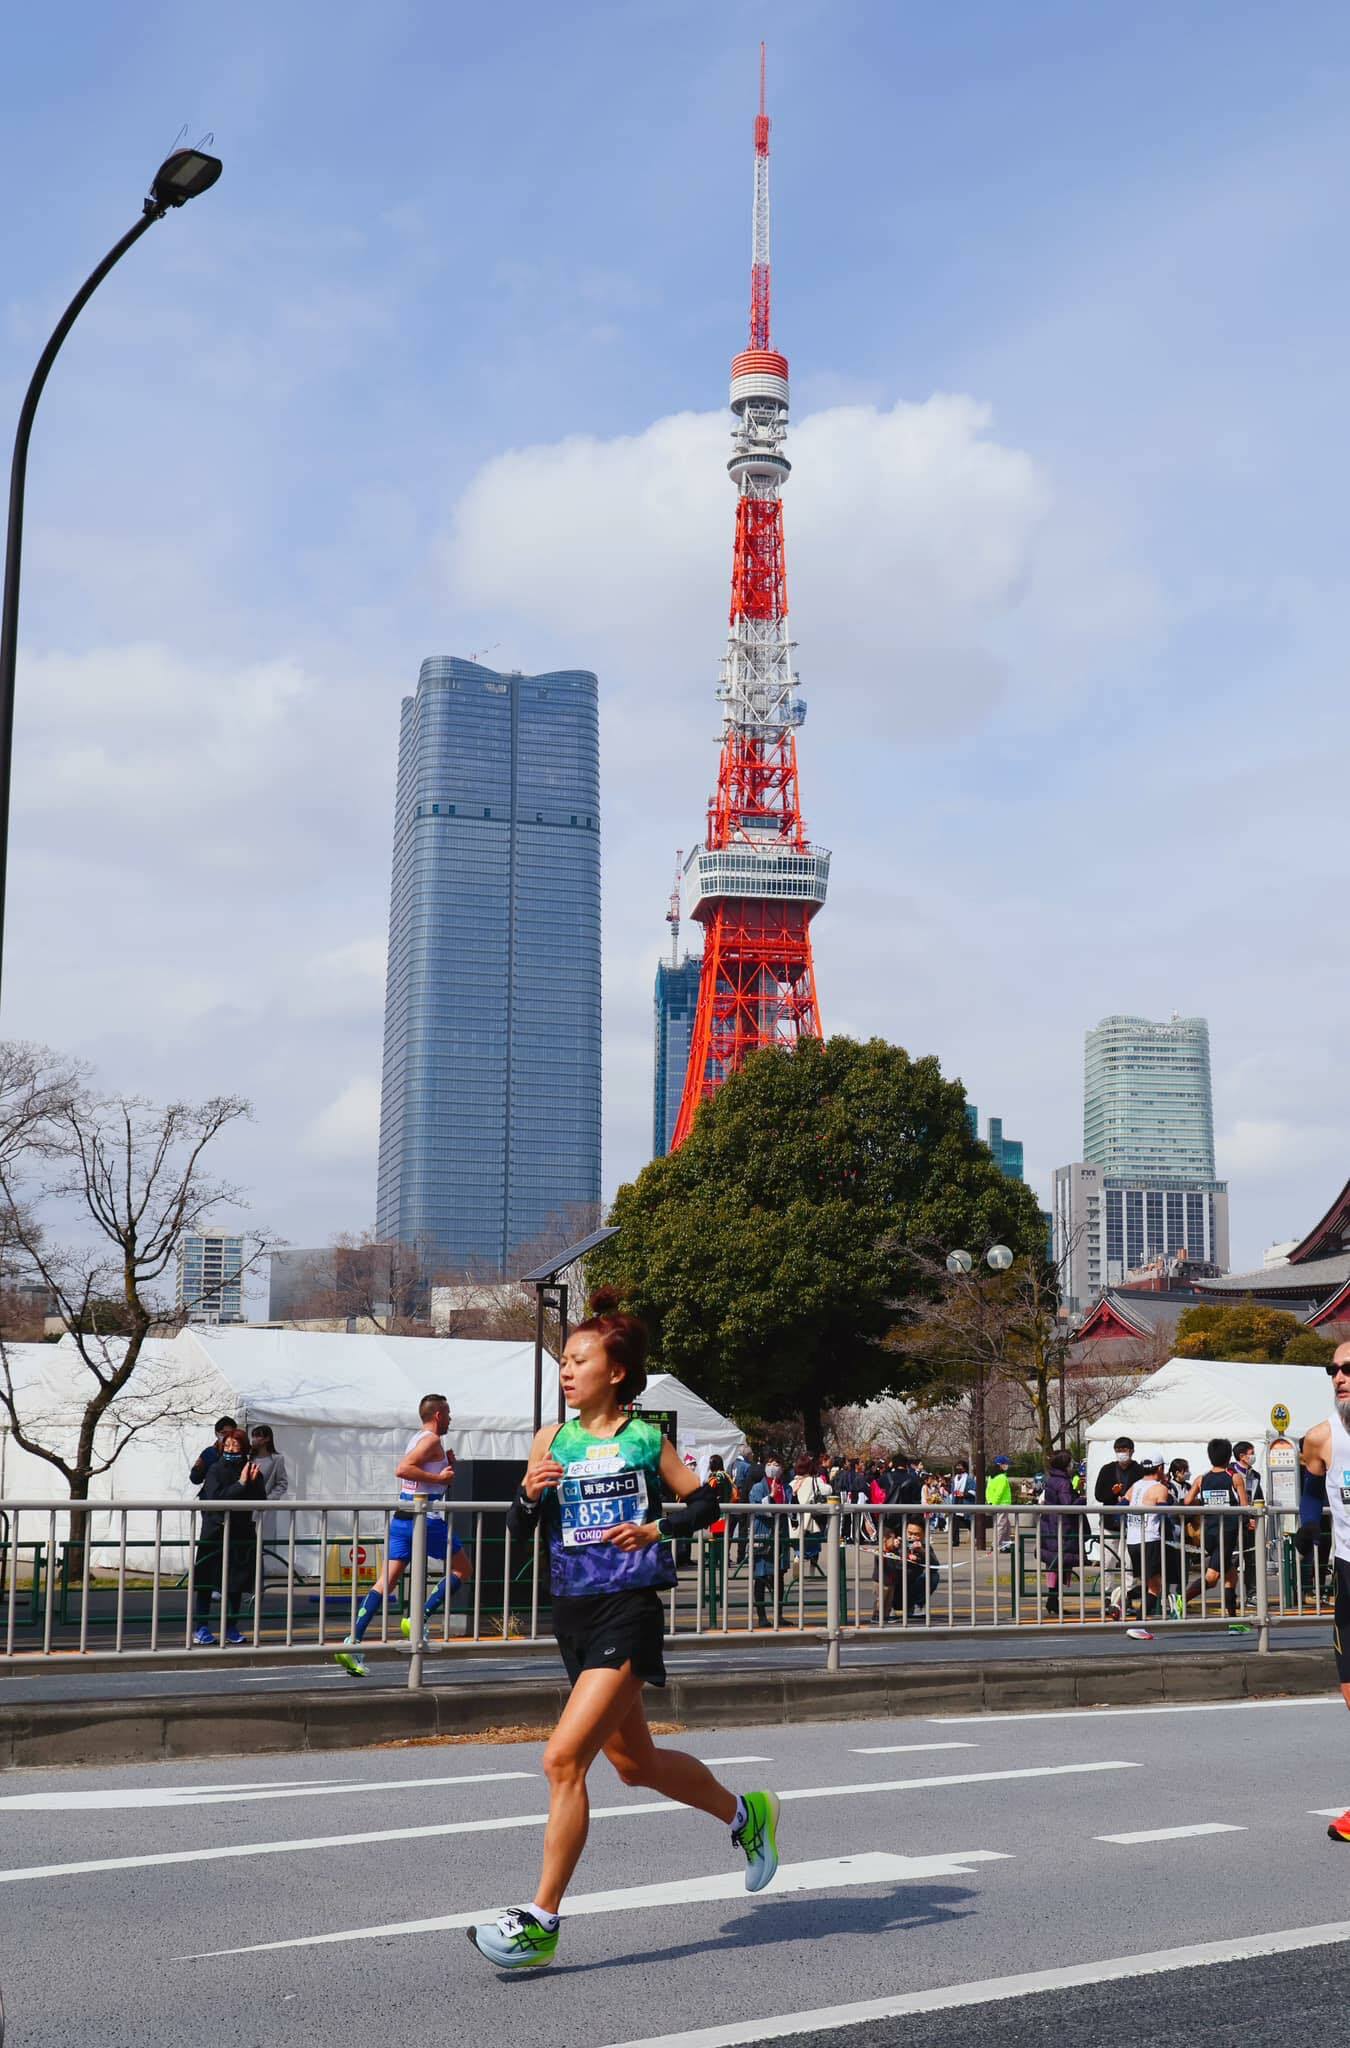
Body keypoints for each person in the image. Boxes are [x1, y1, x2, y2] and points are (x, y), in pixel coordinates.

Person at [467, 1288, 779, 1969]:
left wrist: (655, 1528)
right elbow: (519, 1529)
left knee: (562, 1760)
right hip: (571, 1614)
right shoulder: (551, 1439)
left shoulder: (644, 1439)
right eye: (563, 1362)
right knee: (637, 1767)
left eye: (579, 1361)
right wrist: (527, 1494)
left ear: (615, 1372)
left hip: (629, 1611)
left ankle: (541, 1920)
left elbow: (707, 1504)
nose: (566, 1371)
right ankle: (745, 1815)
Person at [335, 1392, 473, 1676]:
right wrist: (440, 1477)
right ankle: (419, 1617)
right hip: (424, 1518)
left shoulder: (418, 1438)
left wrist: (444, 1469)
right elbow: (404, 1469)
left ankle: (352, 1641)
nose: (450, 1419)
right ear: (438, 1415)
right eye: (448, 1414)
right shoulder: (431, 1440)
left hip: (402, 1517)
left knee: (386, 1582)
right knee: (462, 1569)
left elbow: (420, 1473)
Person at [1297, 1346, 1350, 1840]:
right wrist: (1309, 1526)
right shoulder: (1320, 1437)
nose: (1338, 1377)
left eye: (1348, 1369)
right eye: (1333, 1369)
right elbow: (1312, 1491)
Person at [192, 1428, 266, 1645]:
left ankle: (231, 1627)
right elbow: (216, 1499)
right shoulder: (215, 1469)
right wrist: (241, 1484)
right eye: (227, 1445)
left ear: (244, 1448)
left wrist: (252, 1482)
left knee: (236, 1584)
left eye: (235, 1445)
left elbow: (260, 1500)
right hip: (215, 1532)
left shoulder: (251, 1468)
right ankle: (201, 1627)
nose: (231, 1449)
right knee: (207, 1583)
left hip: (241, 1532)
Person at [1183, 1437, 1246, 1617]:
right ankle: (1181, 1599)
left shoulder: (1201, 1479)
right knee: (1212, 1578)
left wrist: (1204, 1502)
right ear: (1229, 1457)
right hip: (1227, 1532)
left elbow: (1187, 1501)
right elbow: (1245, 1506)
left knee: (1231, 1576)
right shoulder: (1234, 1477)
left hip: (1208, 1532)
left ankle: (1233, 1620)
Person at [1094, 1435, 1142, 1613]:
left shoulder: (1139, 1471)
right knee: (1108, 1560)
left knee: (1129, 1562)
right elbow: (1099, 1494)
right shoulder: (1107, 1470)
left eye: (1124, 1450)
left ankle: (1127, 1596)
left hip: (1131, 1524)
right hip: (1110, 1522)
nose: (1121, 1453)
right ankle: (1108, 1595)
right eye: (1118, 1450)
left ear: (1132, 1451)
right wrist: (1112, 1493)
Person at [1120, 1455, 1170, 1620]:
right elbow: (1165, 1514)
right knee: (1155, 1586)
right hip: (1149, 1538)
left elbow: (1120, 1507)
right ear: (1160, 1468)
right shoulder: (1159, 1488)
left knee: (1147, 1582)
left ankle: (1123, 1601)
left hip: (1132, 1540)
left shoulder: (1135, 1485)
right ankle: (1138, 1621)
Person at [750, 1460, 793, 1627]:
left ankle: (779, 1614)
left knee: (779, 1576)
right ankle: (761, 1616)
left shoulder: (787, 1487)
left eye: (776, 1464)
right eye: (770, 1463)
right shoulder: (758, 1487)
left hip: (781, 1534)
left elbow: (791, 1509)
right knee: (761, 1576)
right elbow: (756, 1508)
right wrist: (771, 1497)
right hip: (763, 1533)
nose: (773, 1467)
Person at [1039, 1449, 1080, 1616]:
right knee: (1060, 1562)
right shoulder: (1063, 1483)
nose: (1072, 1465)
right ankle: (1053, 1600)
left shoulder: (1051, 1479)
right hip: (1062, 1527)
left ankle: (1053, 1599)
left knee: (1054, 1564)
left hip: (1050, 1524)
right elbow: (1067, 1504)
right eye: (1070, 1462)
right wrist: (1081, 1500)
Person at [1231, 1440, 1265, 1612]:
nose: (1253, 1456)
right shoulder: (1230, 1473)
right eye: (1251, 1453)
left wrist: (1255, 1517)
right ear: (1242, 1456)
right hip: (1234, 1523)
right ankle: (1229, 1595)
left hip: (1252, 1523)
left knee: (1252, 1560)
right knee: (1232, 1561)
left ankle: (1252, 1595)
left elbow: (1259, 1497)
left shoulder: (1255, 1475)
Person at [189, 1417, 238, 1490]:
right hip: (211, 1495)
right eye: (224, 1433)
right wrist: (198, 1470)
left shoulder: (241, 1453)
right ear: (216, 1433)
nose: (227, 1436)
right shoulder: (209, 1453)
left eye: (231, 1433)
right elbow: (195, 1479)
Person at [987, 1455, 1015, 1551]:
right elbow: (999, 1492)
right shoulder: (1002, 1477)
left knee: (1006, 1525)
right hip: (1002, 1504)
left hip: (995, 1503)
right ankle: (996, 1544)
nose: (1007, 1466)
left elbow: (988, 1491)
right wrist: (995, 1504)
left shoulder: (991, 1477)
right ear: (1001, 1465)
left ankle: (1006, 1545)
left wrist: (990, 1502)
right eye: (1006, 1464)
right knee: (1001, 1525)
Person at [949, 1459, 977, 1548]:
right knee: (955, 1523)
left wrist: (964, 1494)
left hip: (965, 1502)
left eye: (960, 1466)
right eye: (957, 1466)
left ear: (964, 1468)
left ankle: (977, 1537)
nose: (958, 1468)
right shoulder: (954, 1479)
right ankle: (955, 1541)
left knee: (967, 1522)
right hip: (956, 1502)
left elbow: (974, 1491)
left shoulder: (969, 1479)